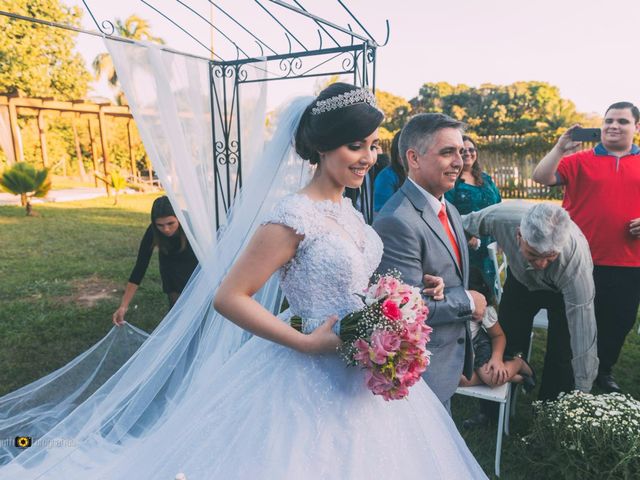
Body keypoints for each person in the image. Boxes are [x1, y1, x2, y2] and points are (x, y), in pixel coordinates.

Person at [210, 83, 488, 478]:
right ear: (323, 147)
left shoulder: (351, 211)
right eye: (356, 146)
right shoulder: (292, 216)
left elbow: (354, 283)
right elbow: (230, 296)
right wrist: (305, 343)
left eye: (374, 147)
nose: (368, 158)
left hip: (363, 370)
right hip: (305, 374)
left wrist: (412, 295)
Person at [373, 113, 488, 411]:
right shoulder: (397, 221)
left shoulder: (446, 206)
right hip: (422, 373)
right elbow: (399, 312)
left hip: (448, 362)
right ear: (414, 158)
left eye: (460, 152)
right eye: (447, 152)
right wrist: (467, 301)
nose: (459, 162)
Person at [532, 102, 640, 393]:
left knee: (617, 323)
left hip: (628, 264)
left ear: (637, 127)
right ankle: (558, 385)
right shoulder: (579, 160)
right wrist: (560, 147)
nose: (613, 126)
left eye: (622, 121)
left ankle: (602, 372)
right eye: (608, 121)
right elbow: (541, 177)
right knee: (567, 327)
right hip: (576, 262)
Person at [462, 202, 598, 401]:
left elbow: (584, 332)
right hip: (520, 281)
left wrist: (583, 391)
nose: (541, 264)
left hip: (560, 291)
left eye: (549, 257)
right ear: (519, 235)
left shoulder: (576, 265)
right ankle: (494, 409)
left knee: (562, 351)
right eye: (534, 255)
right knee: (507, 338)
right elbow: (460, 225)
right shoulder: (500, 218)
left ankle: (548, 410)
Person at [112, 196, 198, 326]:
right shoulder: (152, 232)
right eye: (160, 225)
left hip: (195, 267)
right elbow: (140, 266)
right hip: (171, 271)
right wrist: (124, 306)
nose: (166, 229)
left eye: (170, 223)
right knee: (178, 314)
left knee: (199, 312)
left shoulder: (193, 225)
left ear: (179, 218)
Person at [458, 268, 535, 391]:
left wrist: (497, 358)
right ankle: (515, 377)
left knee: (492, 379)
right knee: (456, 380)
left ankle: (518, 362)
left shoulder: (484, 310)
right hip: (456, 349)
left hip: (477, 345)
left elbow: (498, 336)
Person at [445, 135, 501, 292]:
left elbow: (498, 206)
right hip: (466, 245)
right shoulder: (452, 181)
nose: (468, 153)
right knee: (472, 288)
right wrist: (467, 237)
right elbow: (447, 212)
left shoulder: (486, 179)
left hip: (488, 244)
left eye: (471, 150)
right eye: (463, 150)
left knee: (490, 289)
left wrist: (500, 237)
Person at [373, 130, 406, 213]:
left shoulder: (423, 173)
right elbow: (381, 211)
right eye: (402, 151)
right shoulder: (386, 176)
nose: (407, 156)